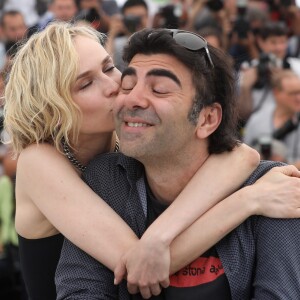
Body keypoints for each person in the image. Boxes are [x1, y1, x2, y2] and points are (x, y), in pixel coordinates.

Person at [4, 21, 266, 300]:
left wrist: (160, 235)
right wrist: (246, 203)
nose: (114, 86)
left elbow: (242, 156)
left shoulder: (127, 141)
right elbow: (138, 265)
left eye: (108, 67)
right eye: (86, 84)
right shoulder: (37, 160)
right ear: (51, 107)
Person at [56, 28, 300, 299]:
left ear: (207, 119)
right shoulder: (107, 180)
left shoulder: (274, 190)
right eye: (127, 85)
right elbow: (80, 292)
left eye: (159, 89)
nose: (132, 99)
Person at [244, 69, 300, 168]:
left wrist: (284, 166)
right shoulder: (257, 120)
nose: (298, 98)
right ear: (276, 93)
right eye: (292, 93)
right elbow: (244, 156)